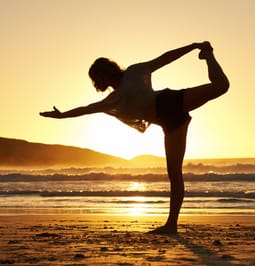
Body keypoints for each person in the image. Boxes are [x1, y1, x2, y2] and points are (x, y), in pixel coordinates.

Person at [40, 41, 229, 234]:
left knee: (222, 86)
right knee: (174, 174)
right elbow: (87, 110)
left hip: (169, 102)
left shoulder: (134, 72)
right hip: (169, 123)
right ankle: (171, 225)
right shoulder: (113, 100)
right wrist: (62, 115)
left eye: (97, 77)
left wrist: (193, 46)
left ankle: (208, 54)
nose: (97, 82)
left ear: (106, 71)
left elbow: (164, 59)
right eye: (94, 79)